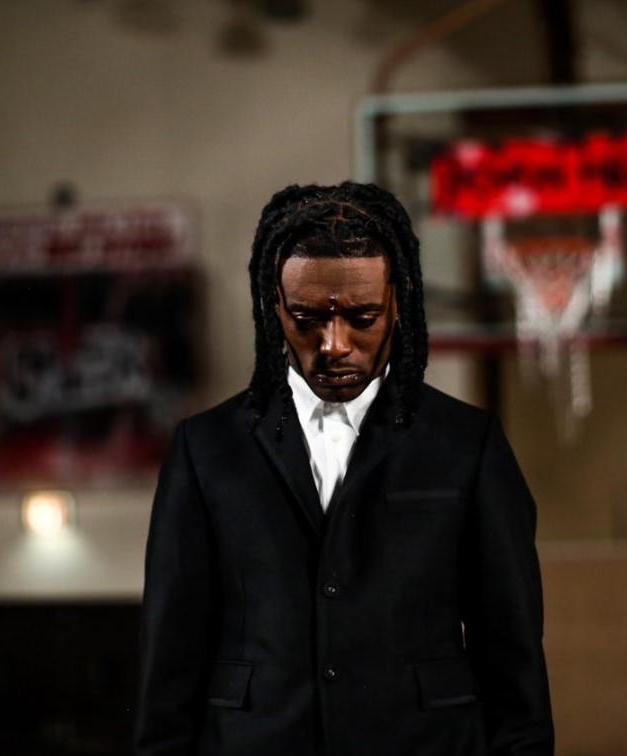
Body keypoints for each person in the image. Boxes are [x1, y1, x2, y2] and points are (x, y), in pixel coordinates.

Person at [135, 182, 553, 756]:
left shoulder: (466, 444)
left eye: (362, 317)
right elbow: (169, 658)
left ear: (398, 302)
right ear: (274, 305)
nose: (333, 344)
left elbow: (513, 660)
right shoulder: (203, 449)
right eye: (307, 317)